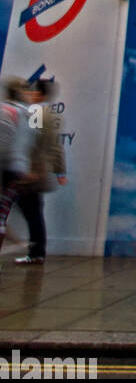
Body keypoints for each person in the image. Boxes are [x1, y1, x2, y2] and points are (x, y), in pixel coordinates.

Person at [12, 79, 67, 265]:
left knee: (31, 212)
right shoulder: (49, 114)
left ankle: (35, 252)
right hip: (39, 170)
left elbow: (30, 141)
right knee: (34, 211)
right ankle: (36, 251)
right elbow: (55, 147)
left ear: (39, 94)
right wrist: (60, 171)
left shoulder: (36, 112)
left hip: (30, 170)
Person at [0, 80, 31, 264]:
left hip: (6, 166)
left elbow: (3, 142)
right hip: (20, 168)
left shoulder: (5, 110)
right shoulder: (30, 113)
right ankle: (20, 242)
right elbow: (35, 140)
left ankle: (20, 243)